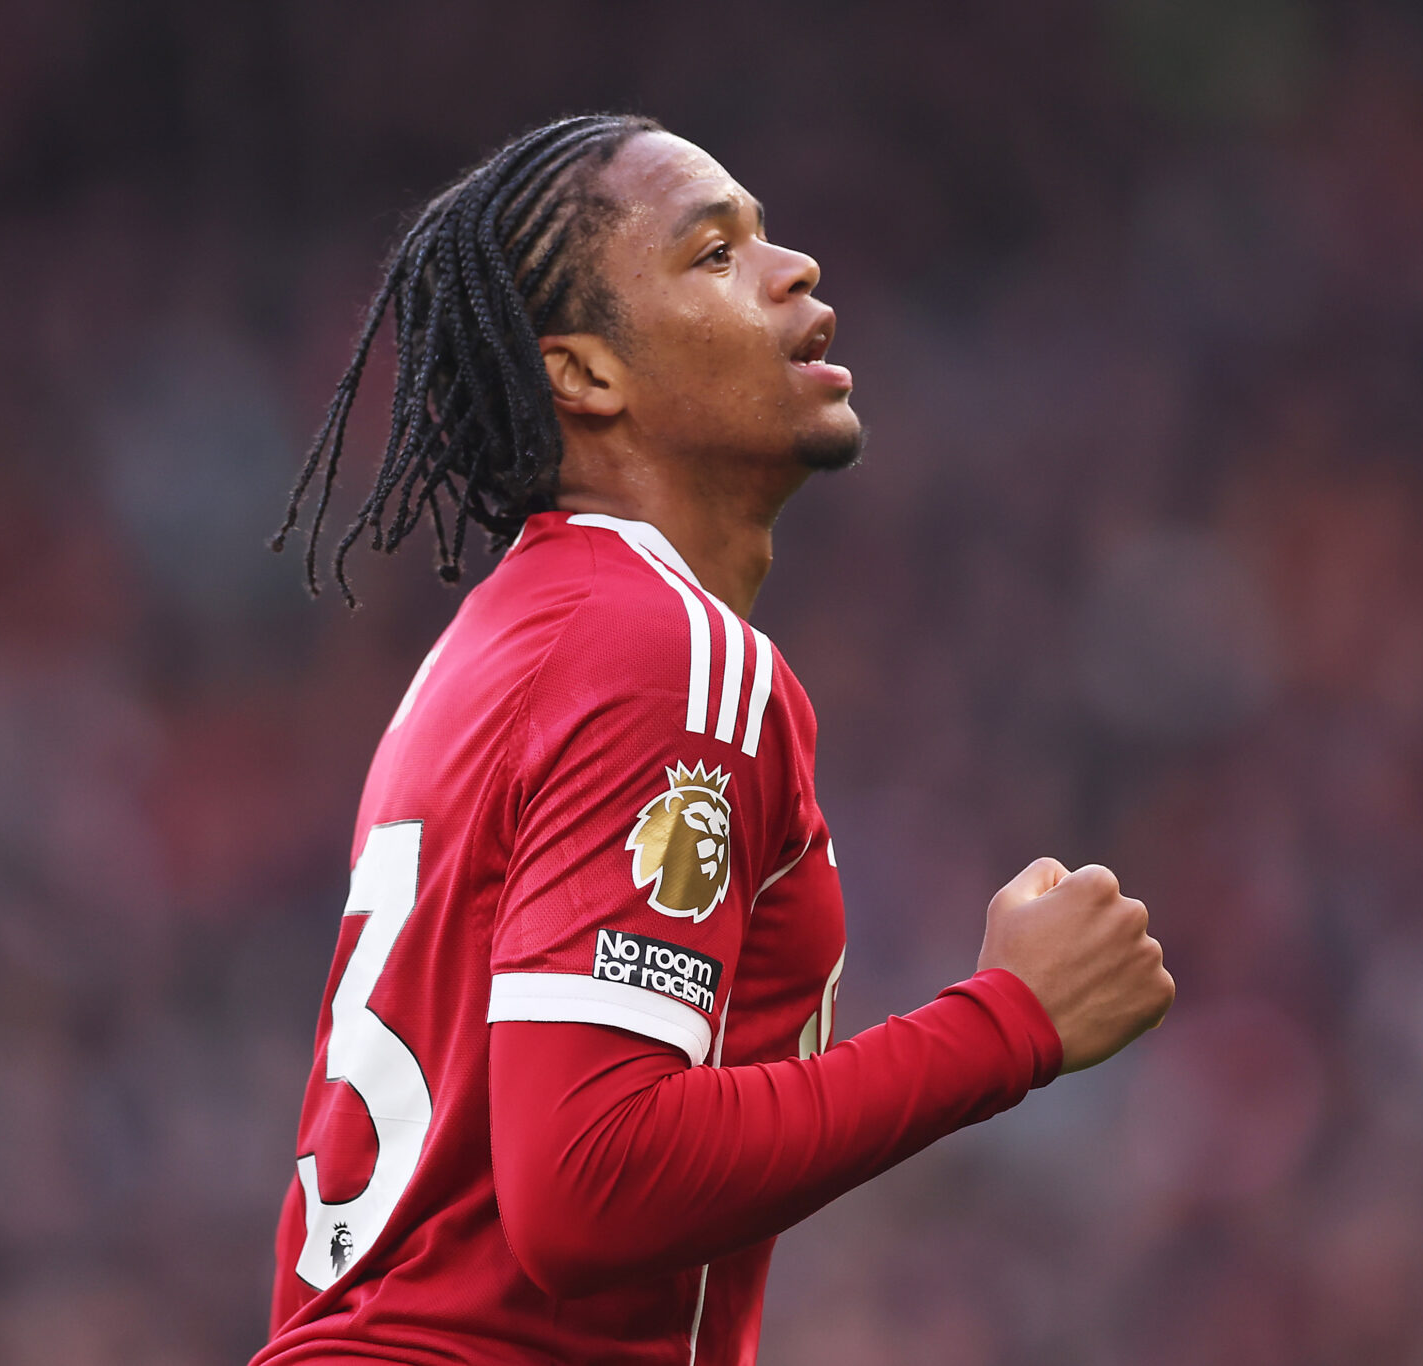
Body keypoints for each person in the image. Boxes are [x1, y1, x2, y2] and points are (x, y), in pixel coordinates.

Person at [252, 113, 1174, 1366]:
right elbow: (585, 1181)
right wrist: (1006, 1023)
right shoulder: (656, 644)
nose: (789, 267)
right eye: (711, 254)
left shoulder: (505, 645)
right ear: (583, 374)